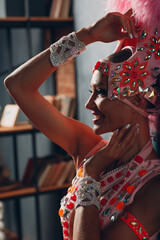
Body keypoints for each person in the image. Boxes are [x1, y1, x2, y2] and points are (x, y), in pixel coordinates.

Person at [4, 0, 160, 239]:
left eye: (100, 92)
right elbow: (17, 85)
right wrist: (87, 35)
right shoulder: (87, 146)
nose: (88, 105)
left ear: (138, 100)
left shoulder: (154, 186)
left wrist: (90, 174)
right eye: (91, 93)